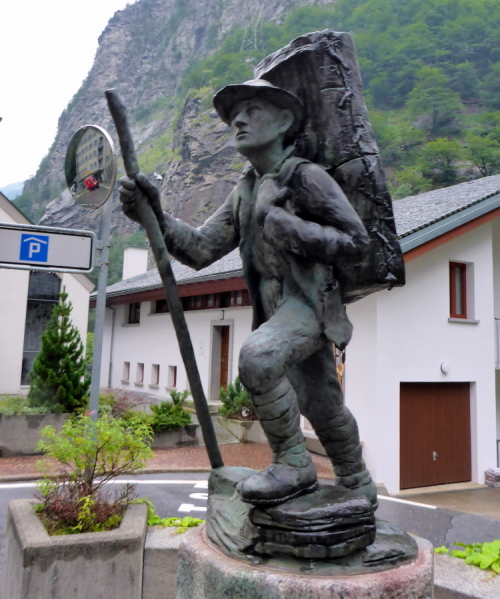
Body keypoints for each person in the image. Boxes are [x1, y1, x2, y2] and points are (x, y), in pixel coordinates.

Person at [119, 78, 377, 507]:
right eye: (234, 114)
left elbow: (357, 243)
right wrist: (155, 215)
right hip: (275, 309)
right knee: (321, 403)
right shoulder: (246, 189)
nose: (237, 120)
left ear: (284, 121)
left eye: (252, 110)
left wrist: (284, 223)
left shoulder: (306, 177)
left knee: (259, 358)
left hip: (309, 303)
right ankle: (357, 481)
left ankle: (293, 464)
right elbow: (200, 249)